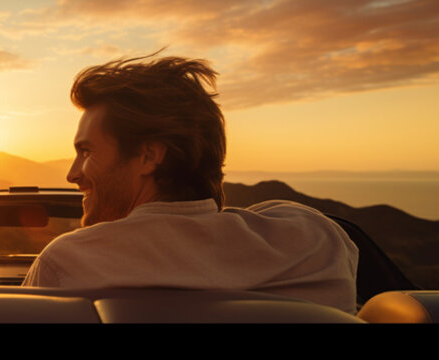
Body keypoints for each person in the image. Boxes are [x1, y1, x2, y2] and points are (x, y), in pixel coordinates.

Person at [21, 53, 360, 313]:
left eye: (85, 151)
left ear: (149, 155)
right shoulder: (316, 242)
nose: (73, 173)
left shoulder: (68, 264)